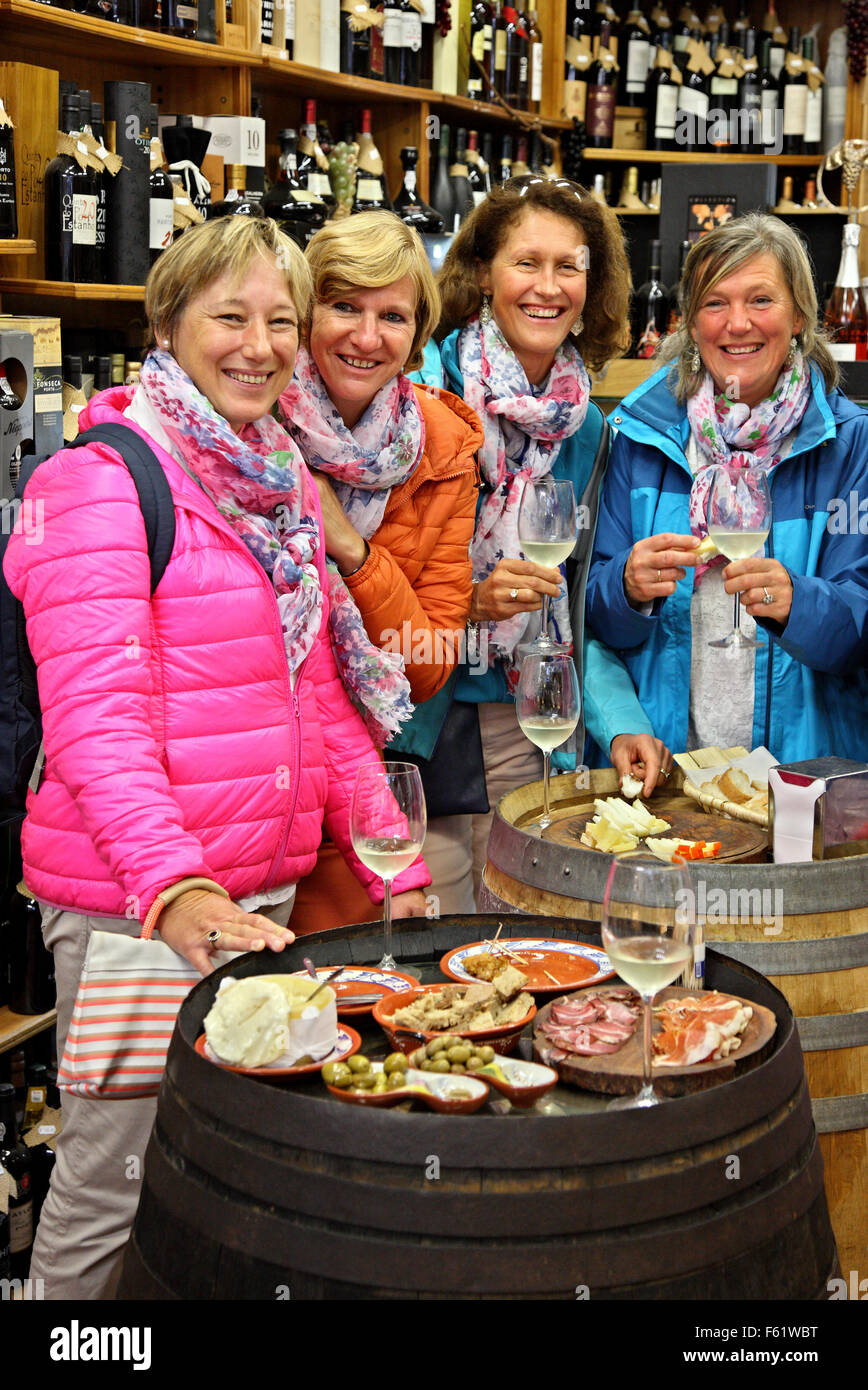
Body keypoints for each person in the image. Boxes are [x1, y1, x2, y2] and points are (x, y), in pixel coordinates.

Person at [3, 215, 429, 1299]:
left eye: (279, 320)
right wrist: (176, 890)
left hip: (253, 899)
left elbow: (320, 702)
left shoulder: (274, 474)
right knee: (113, 1184)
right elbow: (96, 725)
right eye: (228, 316)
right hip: (135, 906)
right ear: (168, 323)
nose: (259, 344)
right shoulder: (99, 481)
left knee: (209, 1172)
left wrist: (394, 861)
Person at [427, 176, 672, 913]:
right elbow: (361, 574)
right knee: (425, 962)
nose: (548, 286)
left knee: (519, 950)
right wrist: (466, 604)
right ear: (481, 274)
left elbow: (574, 606)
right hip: (419, 723)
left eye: (569, 266)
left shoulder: (587, 427)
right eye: (525, 263)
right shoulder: (420, 394)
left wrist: (618, 719)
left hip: (528, 723)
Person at [586, 212, 868, 762]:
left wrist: (796, 604)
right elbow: (590, 616)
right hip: (666, 772)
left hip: (800, 779)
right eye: (715, 303)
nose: (737, 324)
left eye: (761, 300)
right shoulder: (639, 436)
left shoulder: (851, 443)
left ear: (800, 315)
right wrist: (625, 586)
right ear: (691, 325)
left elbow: (861, 630)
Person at [280, 210, 482, 930]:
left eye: (392, 315)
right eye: (344, 307)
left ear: (417, 334)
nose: (367, 337)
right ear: (304, 312)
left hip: (368, 780)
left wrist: (354, 551)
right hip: (251, 776)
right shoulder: (245, 418)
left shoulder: (445, 447)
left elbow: (425, 666)